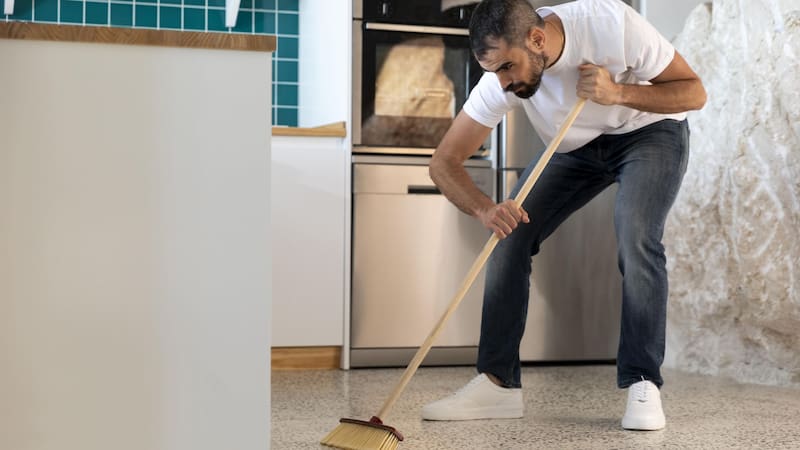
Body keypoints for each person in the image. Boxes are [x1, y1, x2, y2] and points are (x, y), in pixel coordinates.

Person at [423, 0, 706, 430]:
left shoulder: (612, 24)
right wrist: (485, 209)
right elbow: (444, 161)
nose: (502, 82)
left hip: (650, 132)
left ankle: (643, 381)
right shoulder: (499, 82)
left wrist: (618, 93)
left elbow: (693, 91)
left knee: (636, 235)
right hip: (574, 148)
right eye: (494, 71)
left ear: (537, 40)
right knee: (509, 235)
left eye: (507, 68)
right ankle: (497, 385)